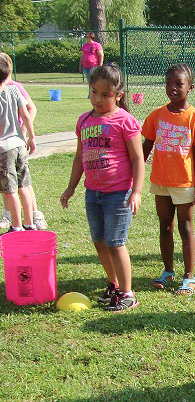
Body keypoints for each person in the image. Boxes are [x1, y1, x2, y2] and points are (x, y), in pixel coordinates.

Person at [60, 63, 144, 311]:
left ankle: (128, 294)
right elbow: (79, 158)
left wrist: (136, 192)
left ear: (118, 95)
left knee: (115, 242)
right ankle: (114, 284)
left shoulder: (125, 121)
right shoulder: (84, 121)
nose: (98, 98)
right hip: (93, 192)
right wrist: (70, 188)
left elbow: (138, 159)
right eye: (94, 92)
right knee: (99, 240)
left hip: (118, 194)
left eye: (106, 95)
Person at [142, 63, 195, 295]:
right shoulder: (156, 115)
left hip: (185, 183)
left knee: (186, 227)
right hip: (160, 180)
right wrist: (132, 171)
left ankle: (189, 276)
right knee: (165, 226)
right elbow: (146, 146)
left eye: (179, 84)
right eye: (169, 83)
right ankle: (168, 271)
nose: (173, 88)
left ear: (190, 87)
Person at [0, 52, 47, 230]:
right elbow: (26, 115)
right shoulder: (14, 90)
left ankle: (17, 227)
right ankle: (29, 223)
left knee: (9, 189)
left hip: (4, 149)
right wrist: (32, 137)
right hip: (20, 145)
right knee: (24, 185)